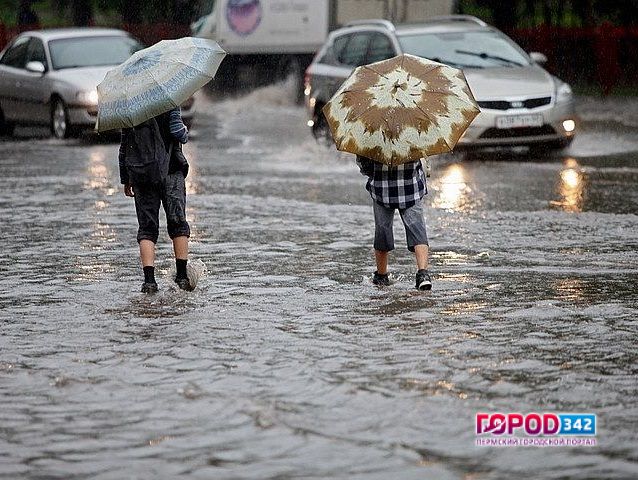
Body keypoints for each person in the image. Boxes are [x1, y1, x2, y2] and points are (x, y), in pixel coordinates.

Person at [119, 108, 192, 293]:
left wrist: (126, 179)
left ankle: (150, 282)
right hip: (171, 172)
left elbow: (125, 147)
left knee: (147, 229)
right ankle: (182, 278)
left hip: (143, 175)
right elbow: (178, 133)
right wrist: (185, 131)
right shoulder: (169, 101)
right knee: (178, 224)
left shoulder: (130, 107)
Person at [357, 155, 432, 290]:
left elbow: (365, 166)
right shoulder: (413, 134)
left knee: (382, 230)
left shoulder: (373, 136)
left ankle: (381, 275)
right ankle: (423, 274)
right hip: (411, 187)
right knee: (417, 229)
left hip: (382, 189)